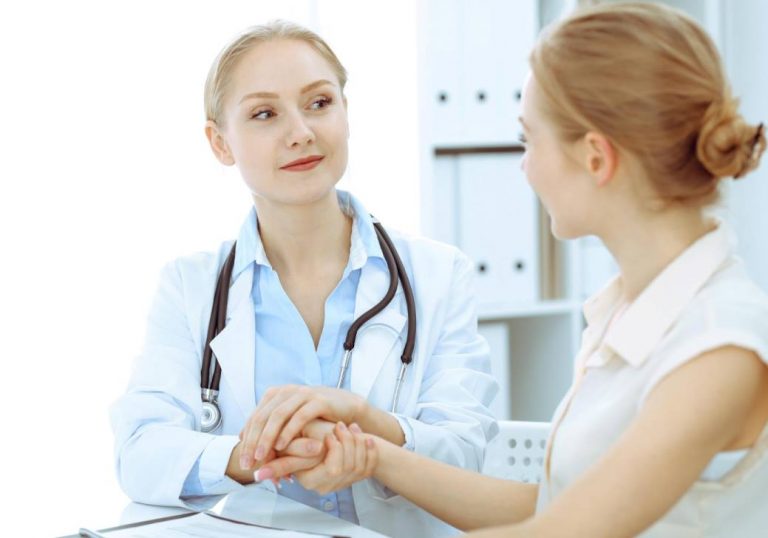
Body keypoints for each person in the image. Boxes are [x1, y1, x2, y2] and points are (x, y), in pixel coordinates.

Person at [261, 4, 768, 536]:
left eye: (530, 139)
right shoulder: (632, 312)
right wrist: (371, 447)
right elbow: (554, 507)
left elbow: (561, 532)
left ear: (596, 157)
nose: (523, 165)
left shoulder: (717, 346)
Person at [109, 20, 498, 538]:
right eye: (264, 114)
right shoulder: (190, 287)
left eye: (319, 103)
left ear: (345, 111)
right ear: (220, 142)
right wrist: (266, 452)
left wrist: (370, 437)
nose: (301, 131)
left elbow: (465, 456)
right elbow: (140, 452)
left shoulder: (438, 274)